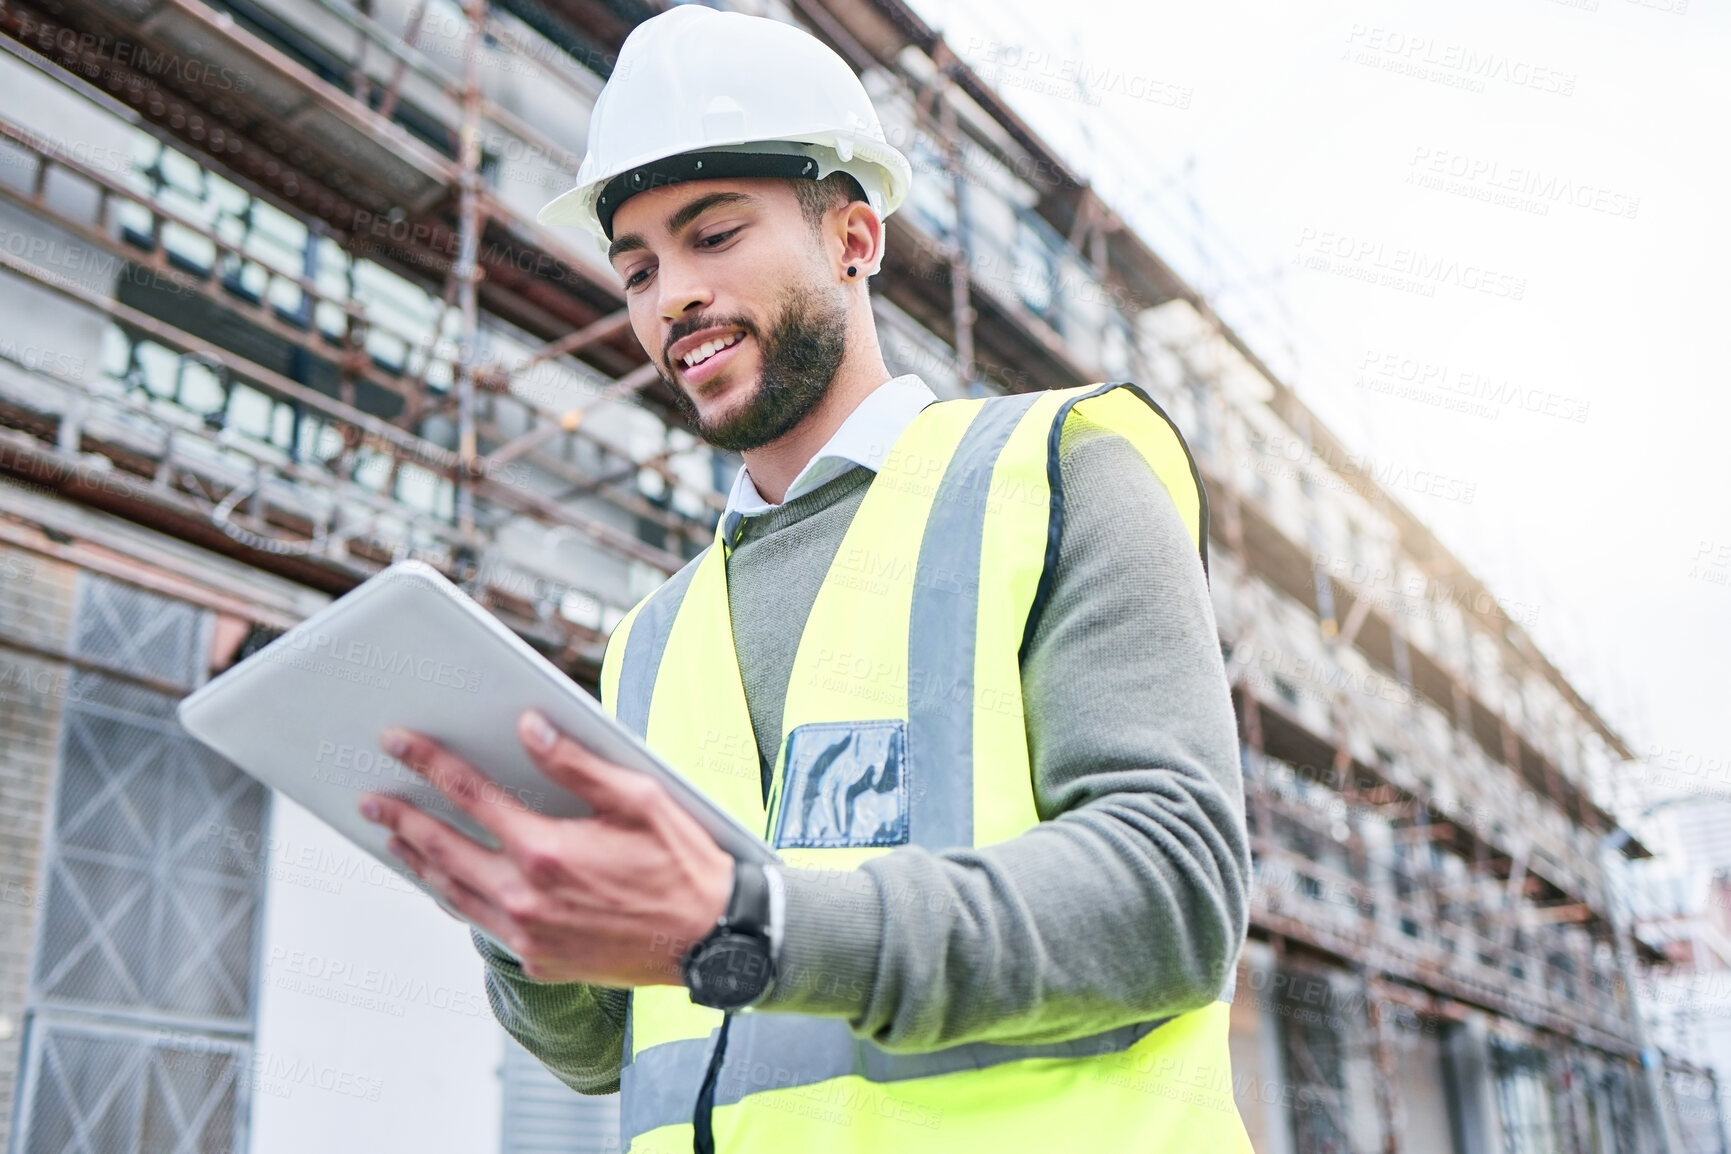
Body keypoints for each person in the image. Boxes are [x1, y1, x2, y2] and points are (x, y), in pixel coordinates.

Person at [357, 6, 1253, 1152]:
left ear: (855, 240)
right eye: (636, 269)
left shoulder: (1058, 470)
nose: (669, 295)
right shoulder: (652, 639)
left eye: (714, 234)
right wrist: (504, 886)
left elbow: (1171, 898)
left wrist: (753, 922)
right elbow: (597, 1051)